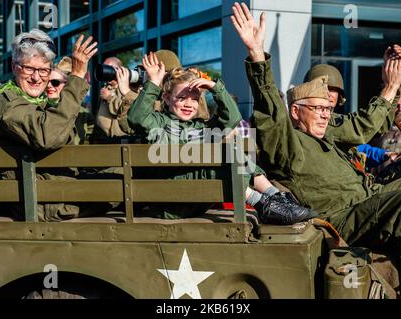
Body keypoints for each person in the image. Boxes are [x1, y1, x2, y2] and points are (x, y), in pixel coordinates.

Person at [231, 2, 401, 297]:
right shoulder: (287, 143)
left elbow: (362, 125)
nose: (326, 113)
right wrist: (257, 56)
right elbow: (270, 112)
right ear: (295, 112)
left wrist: (391, 87)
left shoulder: (329, 138)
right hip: (339, 217)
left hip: (369, 198)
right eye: (318, 108)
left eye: (328, 108)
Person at [127, 52, 316, 225]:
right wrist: (153, 83)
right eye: (182, 97)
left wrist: (215, 87)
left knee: (232, 152)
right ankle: (263, 203)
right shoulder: (158, 123)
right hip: (170, 200)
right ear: (167, 98)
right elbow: (136, 117)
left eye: (194, 99)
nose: (188, 104)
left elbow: (232, 119)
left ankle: (275, 196)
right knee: (224, 158)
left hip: (198, 199)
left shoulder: (201, 127)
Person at [0, 29, 113, 222]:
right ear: (14, 66)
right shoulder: (4, 101)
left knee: (123, 175)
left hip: (55, 192)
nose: (37, 78)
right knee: (131, 184)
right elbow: (47, 135)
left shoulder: (38, 102)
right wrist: (76, 76)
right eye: (29, 68)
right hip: (40, 203)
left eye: (43, 70)